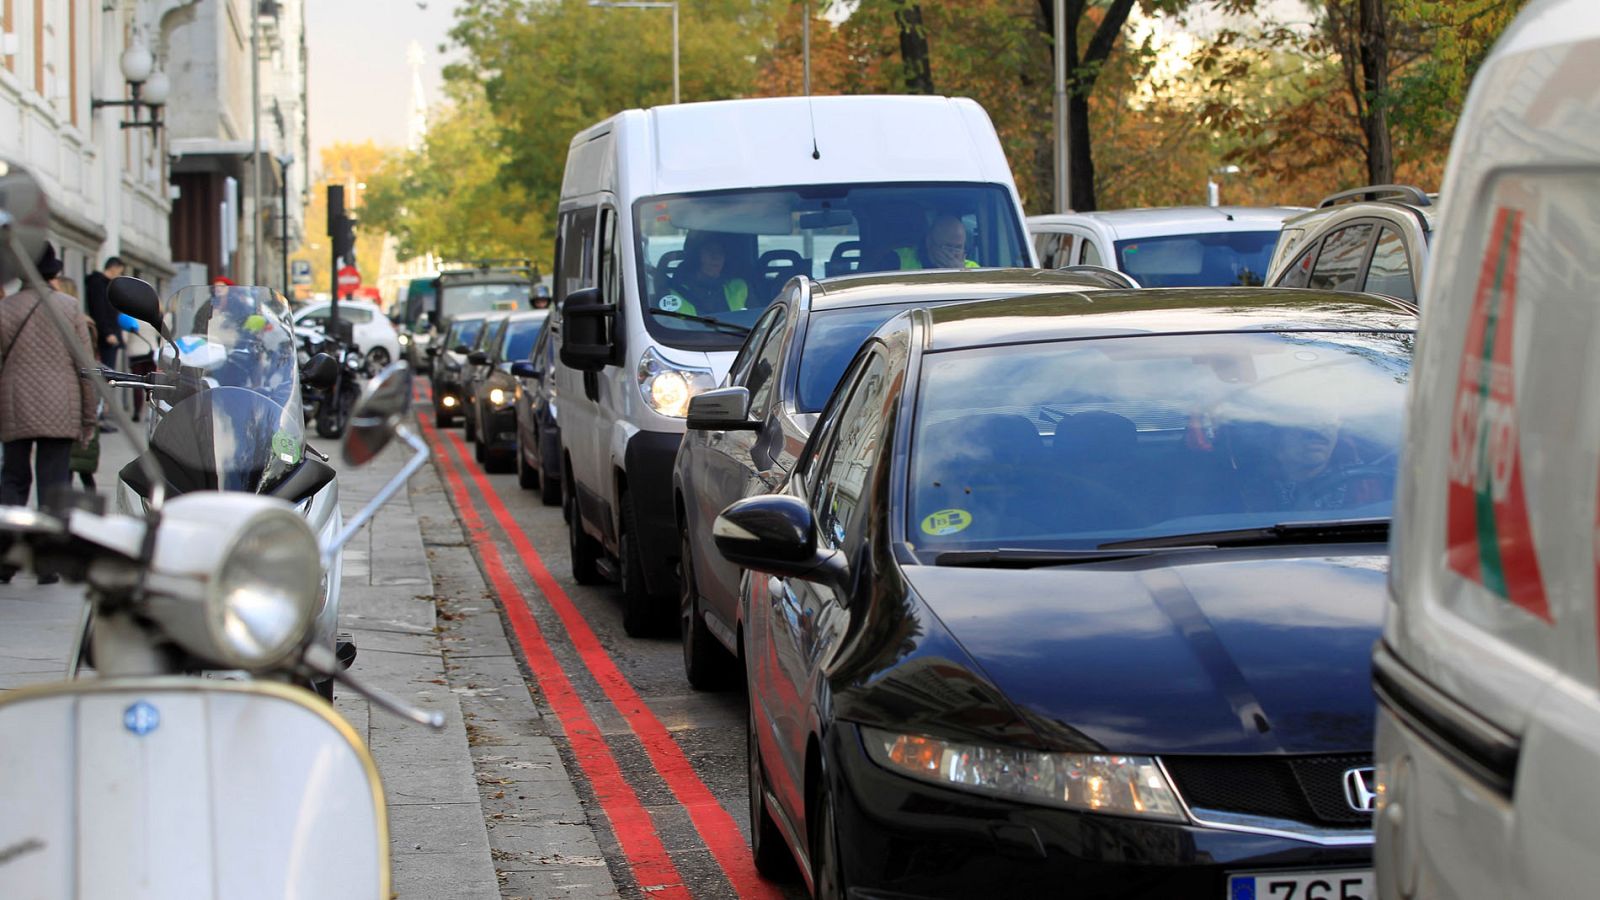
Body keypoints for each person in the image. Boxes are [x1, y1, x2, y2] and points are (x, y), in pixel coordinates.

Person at [0, 243, 97, 583]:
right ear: (55, 273)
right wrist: (89, 418)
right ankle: (47, 563)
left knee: (12, 479)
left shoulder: (6, 308)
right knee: (54, 480)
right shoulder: (69, 308)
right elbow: (86, 368)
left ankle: (5, 558)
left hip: (14, 403)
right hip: (61, 404)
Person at [657, 232, 749, 317]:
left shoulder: (740, 287)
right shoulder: (672, 295)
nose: (716, 256)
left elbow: (758, 321)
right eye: (709, 250)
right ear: (696, 256)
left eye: (720, 251)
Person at [883, 214, 979, 271]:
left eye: (958, 247)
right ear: (929, 242)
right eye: (947, 247)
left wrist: (960, 275)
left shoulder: (972, 268)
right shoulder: (897, 259)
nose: (953, 254)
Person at [82, 256, 126, 370]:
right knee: (106, 370)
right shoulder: (98, 284)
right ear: (113, 268)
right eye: (119, 271)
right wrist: (108, 333)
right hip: (105, 335)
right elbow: (99, 310)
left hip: (111, 332)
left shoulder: (107, 285)